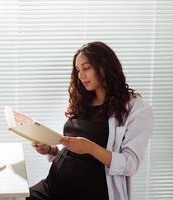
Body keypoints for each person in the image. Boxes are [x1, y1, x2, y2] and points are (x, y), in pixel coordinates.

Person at [27, 41, 153, 200]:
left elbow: (130, 164)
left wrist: (91, 148)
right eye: (78, 70)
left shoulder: (137, 110)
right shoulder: (83, 101)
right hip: (52, 187)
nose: (81, 75)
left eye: (86, 68)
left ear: (105, 66)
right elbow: (75, 154)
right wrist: (51, 150)